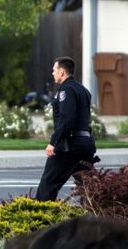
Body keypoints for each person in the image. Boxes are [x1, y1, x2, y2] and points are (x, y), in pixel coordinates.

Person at [36, 56, 98, 201]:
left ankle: (41, 219)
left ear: (62, 72)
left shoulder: (66, 90)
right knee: (88, 188)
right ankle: (96, 216)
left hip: (70, 145)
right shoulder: (83, 89)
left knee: (48, 184)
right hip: (86, 143)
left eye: (54, 70)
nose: (52, 73)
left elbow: (67, 119)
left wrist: (54, 142)